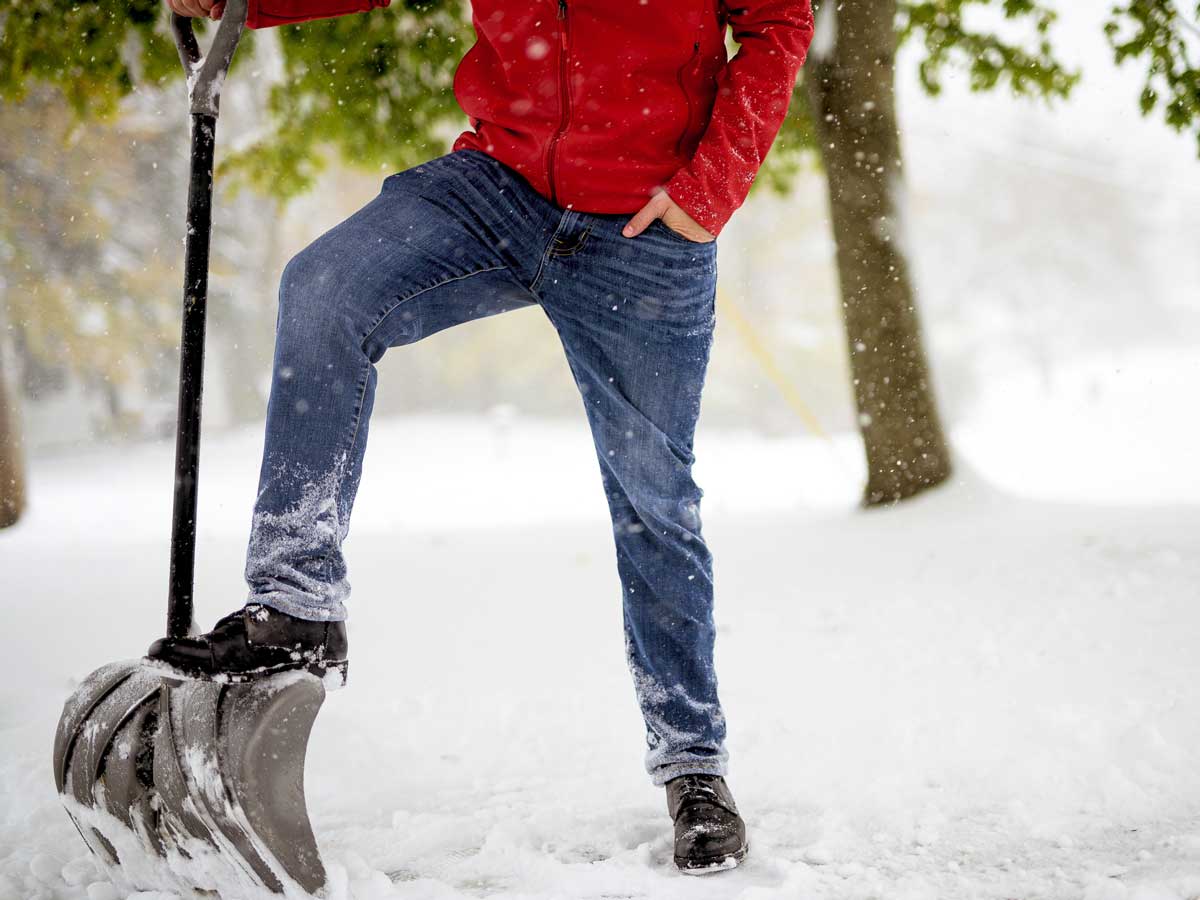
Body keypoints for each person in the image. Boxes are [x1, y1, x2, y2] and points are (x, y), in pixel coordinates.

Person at [149, 0, 814, 874]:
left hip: (644, 227)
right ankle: (298, 603)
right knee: (325, 291)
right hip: (498, 188)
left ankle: (693, 764)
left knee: (653, 496)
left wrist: (708, 190)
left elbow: (779, 20)